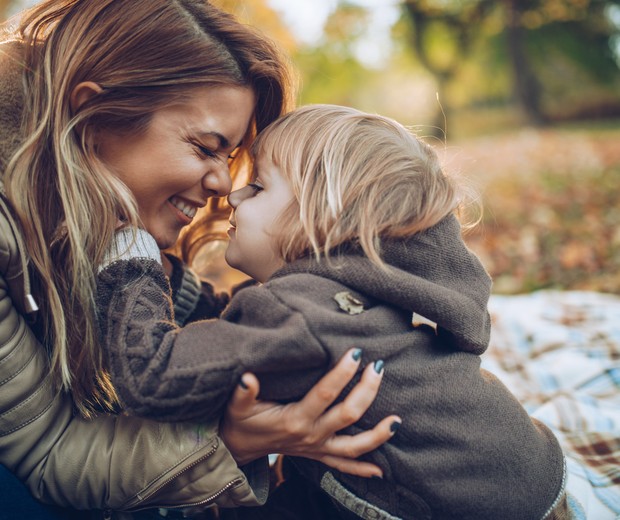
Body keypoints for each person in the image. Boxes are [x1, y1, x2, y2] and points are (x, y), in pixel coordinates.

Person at [0, 2, 395, 518]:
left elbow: (196, 317)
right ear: (91, 119)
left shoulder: (100, 220)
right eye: (206, 147)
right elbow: (48, 451)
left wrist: (320, 316)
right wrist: (228, 442)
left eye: (230, 159)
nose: (223, 185)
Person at [96, 104, 570, 520]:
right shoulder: (359, 297)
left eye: (257, 187)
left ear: (320, 218)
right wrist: (178, 287)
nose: (232, 197)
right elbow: (242, 335)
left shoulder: (300, 313)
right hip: (531, 481)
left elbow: (151, 375)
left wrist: (131, 261)